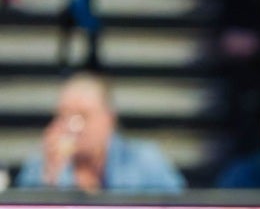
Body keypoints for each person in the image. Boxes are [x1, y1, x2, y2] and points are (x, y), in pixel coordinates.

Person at [16, 71, 185, 193]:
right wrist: (51, 176)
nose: (73, 126)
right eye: (64, 116)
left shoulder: (145, 161)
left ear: (109, 118)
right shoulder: (40, 166)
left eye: (83, 116)